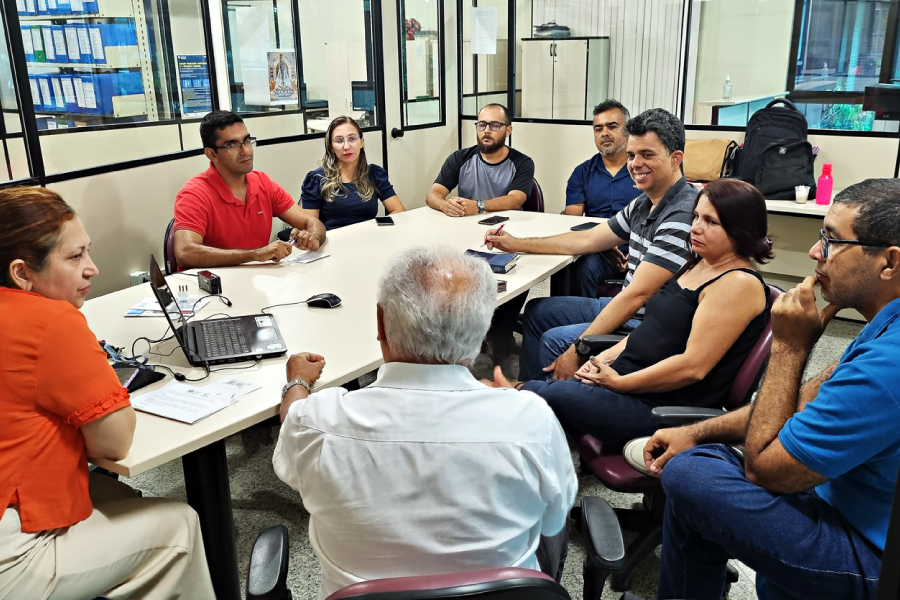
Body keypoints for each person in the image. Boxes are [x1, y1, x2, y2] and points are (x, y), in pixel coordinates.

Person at [644, 178, 900, 600]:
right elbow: (806, 400)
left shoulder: (886, 366)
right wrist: (696, 432)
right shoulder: (886, 326)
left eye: (832, 240)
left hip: (872, 559)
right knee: (702, 463)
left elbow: (764, 470)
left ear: (888, 262)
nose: (816, 252)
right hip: (843, 502)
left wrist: (789, 347)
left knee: (694, 474)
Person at [273, 246, 577, 599]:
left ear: (380, 323)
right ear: (483, 328)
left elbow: (292, 423)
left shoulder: (316, 421)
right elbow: (553, 519)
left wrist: (297, 382)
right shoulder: (532, 419)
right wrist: (513, 407)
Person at [0, 187, 214, 599]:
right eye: (75, 257)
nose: (92, 268)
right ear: (22, 273)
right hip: (12, 551)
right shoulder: (51, 321)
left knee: (118, 495)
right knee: (179, 527)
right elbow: (113, 444)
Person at [486, 178, 772, 451]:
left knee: (531, 394)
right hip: (630, 379)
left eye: (710, 222)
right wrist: (604, 358)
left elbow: (692, 367)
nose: (695, 228)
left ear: (741, 230)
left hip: (655, 405)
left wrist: (620, 382)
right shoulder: (701, 263)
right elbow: (652, 327)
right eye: (696, 216)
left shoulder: (737, 284)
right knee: (540, 391)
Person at [485, 108, 697, 381]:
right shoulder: (645, 202)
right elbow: (587, 238)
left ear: (675, 158)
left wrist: (579, 347)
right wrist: (517, 243)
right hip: (630, 305)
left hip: (647, 324)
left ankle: (551, 395)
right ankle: (533, 392)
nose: (635, 164)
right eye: (632, 155)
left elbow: (638, 296)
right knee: (537, 311)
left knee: (555, 339)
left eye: (647, 155)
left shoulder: (682, 214)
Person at [174, 110, 326, 269]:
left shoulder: (263, 183)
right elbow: (185, 252)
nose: (246, 151)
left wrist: (313, 237)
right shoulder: (194, 194)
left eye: (247, 141)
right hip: (215, 282)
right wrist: (255, 254)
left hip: (258, 278)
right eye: (232, 145)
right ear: (211, 154)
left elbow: (311, 222)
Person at [565, 100, 642, 297]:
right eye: (598, 129)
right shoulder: (582, 173)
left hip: (642, 251)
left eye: (612, 126)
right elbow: (572, 221)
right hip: (599, 252)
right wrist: (604, 246)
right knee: (580, 266)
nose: (604, 133)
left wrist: (639, 251)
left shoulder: (643, 170)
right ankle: (581, 314)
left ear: (628, 129)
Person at [294, 116, 405, 231]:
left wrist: (378, 229)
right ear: (331, 147)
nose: (346, 147)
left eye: (352, 139)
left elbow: (398, 211)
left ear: (361, 142)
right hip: (331, 239)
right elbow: (309, 227)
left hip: (369, 236)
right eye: (339, 140)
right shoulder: (316, 179)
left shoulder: (375, 174)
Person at [426, 103, 534, 217]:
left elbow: (516, 200)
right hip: (467, 222)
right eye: (482, 124)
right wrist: (444, 205)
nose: (486, 130)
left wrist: (479, 206)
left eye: (495, 125)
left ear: (508, 130)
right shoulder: (459, 158)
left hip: (508, 224)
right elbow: (433, 194)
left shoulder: (522, 163)